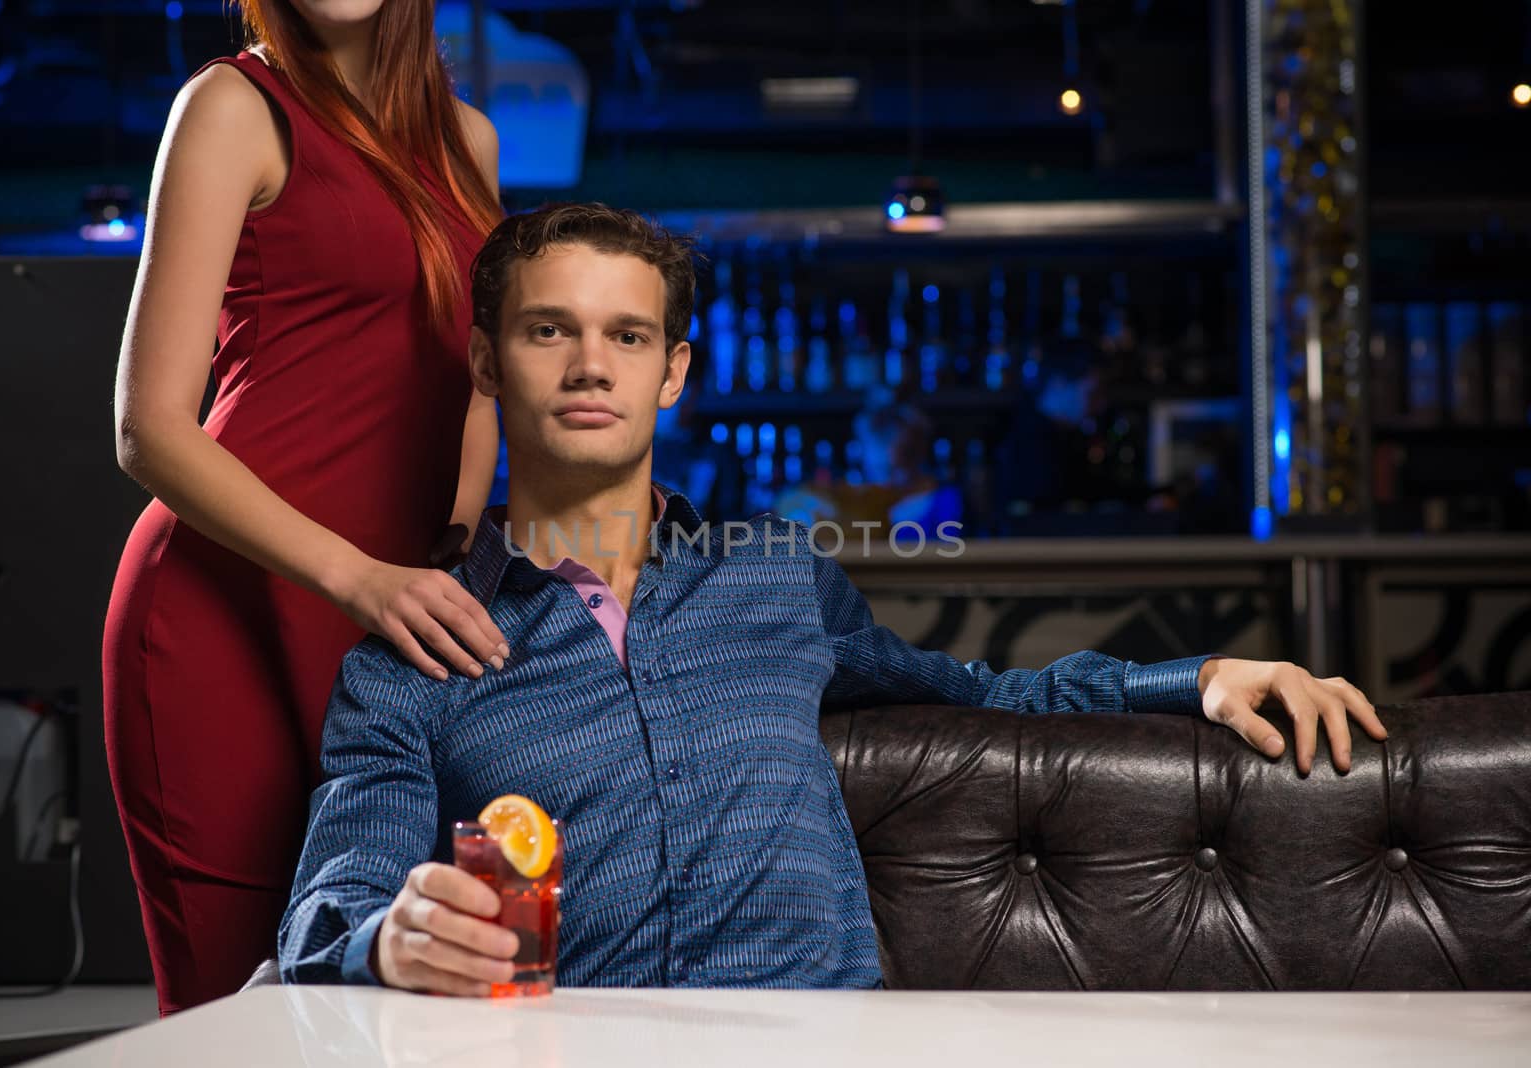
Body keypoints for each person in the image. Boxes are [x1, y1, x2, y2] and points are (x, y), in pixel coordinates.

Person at [279, 203, 1387, 995]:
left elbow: (985, 693)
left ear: (672, 373)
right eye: (546, 330)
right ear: (485, 361)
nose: (588, 366)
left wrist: (1196, 675)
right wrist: (392, 938)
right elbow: (328, 908)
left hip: (815, 1038)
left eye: (626, 335)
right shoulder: (407, 662)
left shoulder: (776, 576)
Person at [102, 0, 513, 1014]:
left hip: (394, 629)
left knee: (394, 993)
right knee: (241, 1009)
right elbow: (148, 425)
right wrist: (361, 576)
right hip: (224, 613)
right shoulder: (232, 106)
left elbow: (472, 381)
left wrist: (454, 557)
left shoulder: (468, 140)